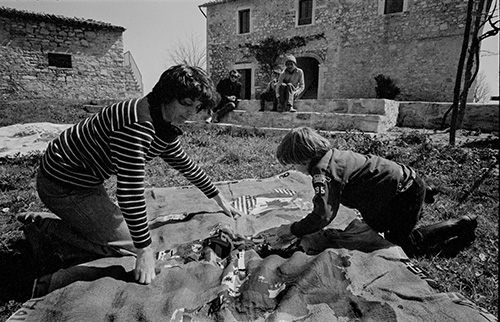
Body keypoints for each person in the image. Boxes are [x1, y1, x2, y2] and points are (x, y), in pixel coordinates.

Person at [20, 64, 243, 285]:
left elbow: (182, 161)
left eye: (197, 107)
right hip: (63, 185)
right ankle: (47, 230)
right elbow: (129, 193)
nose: (191, 113)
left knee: (127, 232)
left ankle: (77, 224)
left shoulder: (159, 117)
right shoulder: (138, 124)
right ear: (167, 95)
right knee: (128, 245)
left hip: (85, 181)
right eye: (185, 104)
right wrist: (144, 251)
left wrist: (216, 196)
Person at [274, 127, 478, 257]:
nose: (295, 169)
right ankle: (424, 192)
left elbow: (323, 215)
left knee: (401, 244)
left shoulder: (323, 172)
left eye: (293, 164)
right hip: (392, 187)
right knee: (376, 226)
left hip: (403, 191)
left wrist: (293, 229)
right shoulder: (331, 157)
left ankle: (461, 224)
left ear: (303, 159)